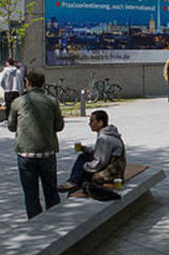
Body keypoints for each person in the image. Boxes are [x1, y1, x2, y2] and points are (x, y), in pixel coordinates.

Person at [8, 70, 64, 219]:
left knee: (30, 194)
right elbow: (59, 126)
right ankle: (54, 221)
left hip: (26, 154)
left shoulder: (18, 102)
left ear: (27, 83)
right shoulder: (52, 101)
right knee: (51, 191)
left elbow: (11, 126)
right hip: (47, 153)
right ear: (43, 83)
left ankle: (36, 223)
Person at [58, 110, 125, 192]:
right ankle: (73, 183)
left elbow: (99, 162)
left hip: (112, 172)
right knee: (84, 156)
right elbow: (102, 152)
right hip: (115, 167)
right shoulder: (109, 132)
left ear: (100, 123)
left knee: (82, 166)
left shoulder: (104, 138)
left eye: (92, 121)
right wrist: (86, 149)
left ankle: (73, 183)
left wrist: (85, 166)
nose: (89, 124)